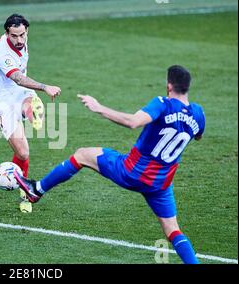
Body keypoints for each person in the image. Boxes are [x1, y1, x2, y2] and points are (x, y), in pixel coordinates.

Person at [14, 65, 204, 264]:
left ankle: (37, 190)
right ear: (187, 88)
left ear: (168, 86)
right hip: (160, 184)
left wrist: (99, 108)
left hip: (132, 171)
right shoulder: (198, 114)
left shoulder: (162, 104)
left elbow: (133, 122)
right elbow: (198, 136)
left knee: (81, 155)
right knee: (173, 230)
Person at [0, 14, 61, 213]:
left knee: (28, 103)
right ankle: (29, 112)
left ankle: (26, 192)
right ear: (7, 33)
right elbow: (18, 77)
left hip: (22, 92)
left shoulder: (12, 40)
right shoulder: (3, 53)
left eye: (22, 35)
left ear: (27, 31)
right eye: (14, 36)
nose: (19, 40)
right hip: (3, 102)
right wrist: (45, 87)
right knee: (23, 152)